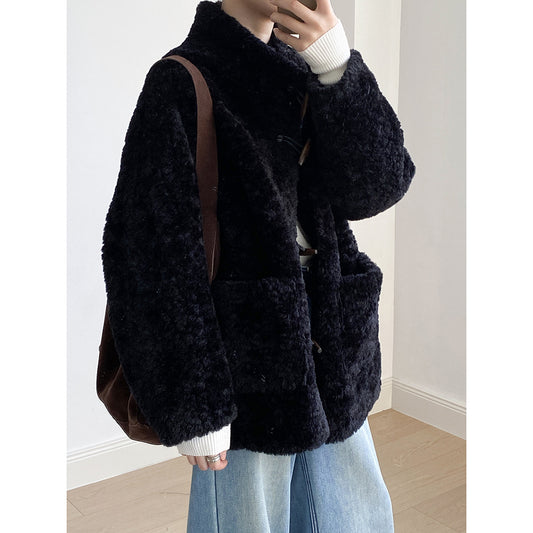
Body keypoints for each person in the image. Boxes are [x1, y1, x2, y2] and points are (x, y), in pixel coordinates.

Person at [101, 0, 416, 530]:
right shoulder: (181, 79)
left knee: (356, 517)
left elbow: (377, 188)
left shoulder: (309, 67)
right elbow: (150, 255)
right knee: (248, 520)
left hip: (333, 348)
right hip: (244, 367)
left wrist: (337, 68)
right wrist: (196, 406)